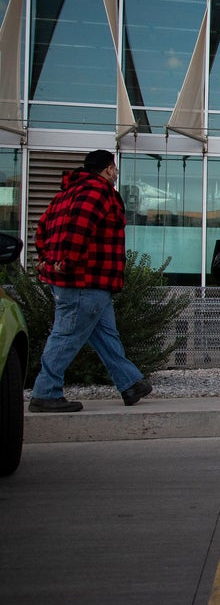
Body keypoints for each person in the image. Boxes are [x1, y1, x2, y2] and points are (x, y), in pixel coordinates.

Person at [29, 149, 152, 412]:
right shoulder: (98, 192)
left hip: (87, 283)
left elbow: (41, 229)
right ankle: (45, 393)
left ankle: (130, 383)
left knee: (106, 335)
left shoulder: (64, 195)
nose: (116, 173)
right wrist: (67, 263)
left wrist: (46, 260)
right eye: (115, 168)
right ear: (108, 168)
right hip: (85, 281)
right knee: (65, 336)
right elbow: (79, 230)